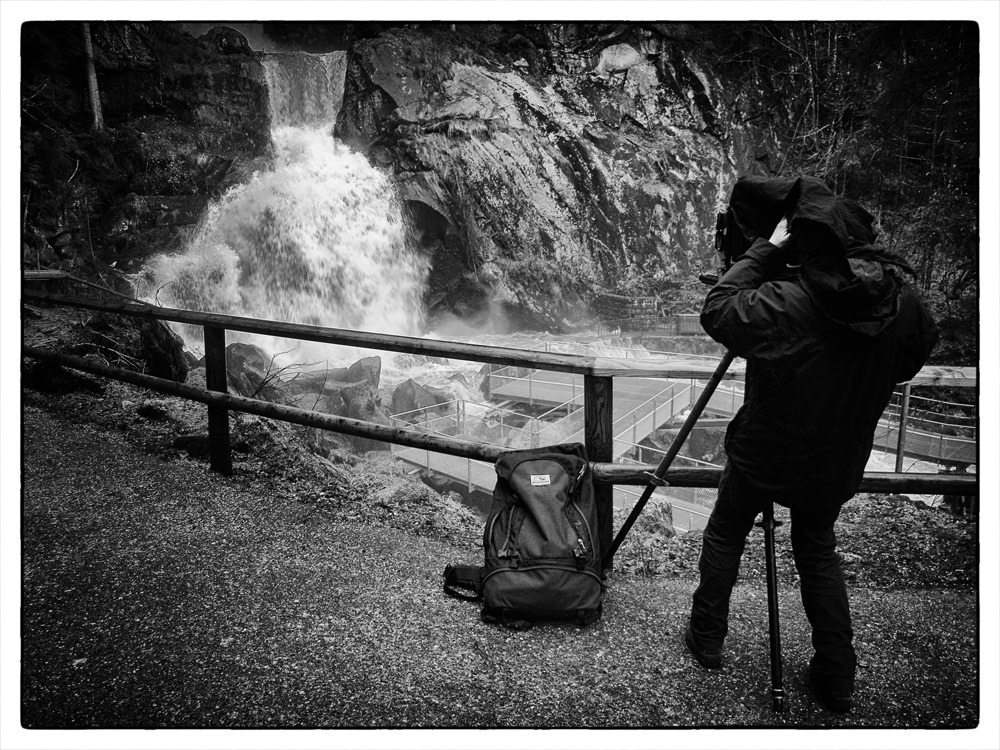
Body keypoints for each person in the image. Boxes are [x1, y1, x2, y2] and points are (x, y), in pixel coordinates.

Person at [684, 176, 938, 713]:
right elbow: (910, 361)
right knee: (817, 551)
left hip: (763, 454)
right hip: (835, 462)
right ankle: (836, 676)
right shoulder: (904, 306)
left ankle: (706, 641)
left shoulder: (787, 302)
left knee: (727, 534)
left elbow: (719, 307)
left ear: (802, 242)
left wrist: (765, 251)